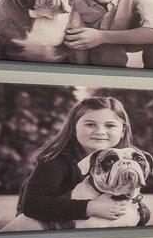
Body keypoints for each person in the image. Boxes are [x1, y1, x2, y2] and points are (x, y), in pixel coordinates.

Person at [15, 95, 141, 228]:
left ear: (123, 130)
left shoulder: (127, 160)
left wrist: (142, 212)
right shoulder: (56, 160)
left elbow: (132, 201)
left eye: (109, 125)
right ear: (73, 128)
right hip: (44, 228)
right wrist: (90, 207)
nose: (100, 131)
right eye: (90, 124)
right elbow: (32, 205)